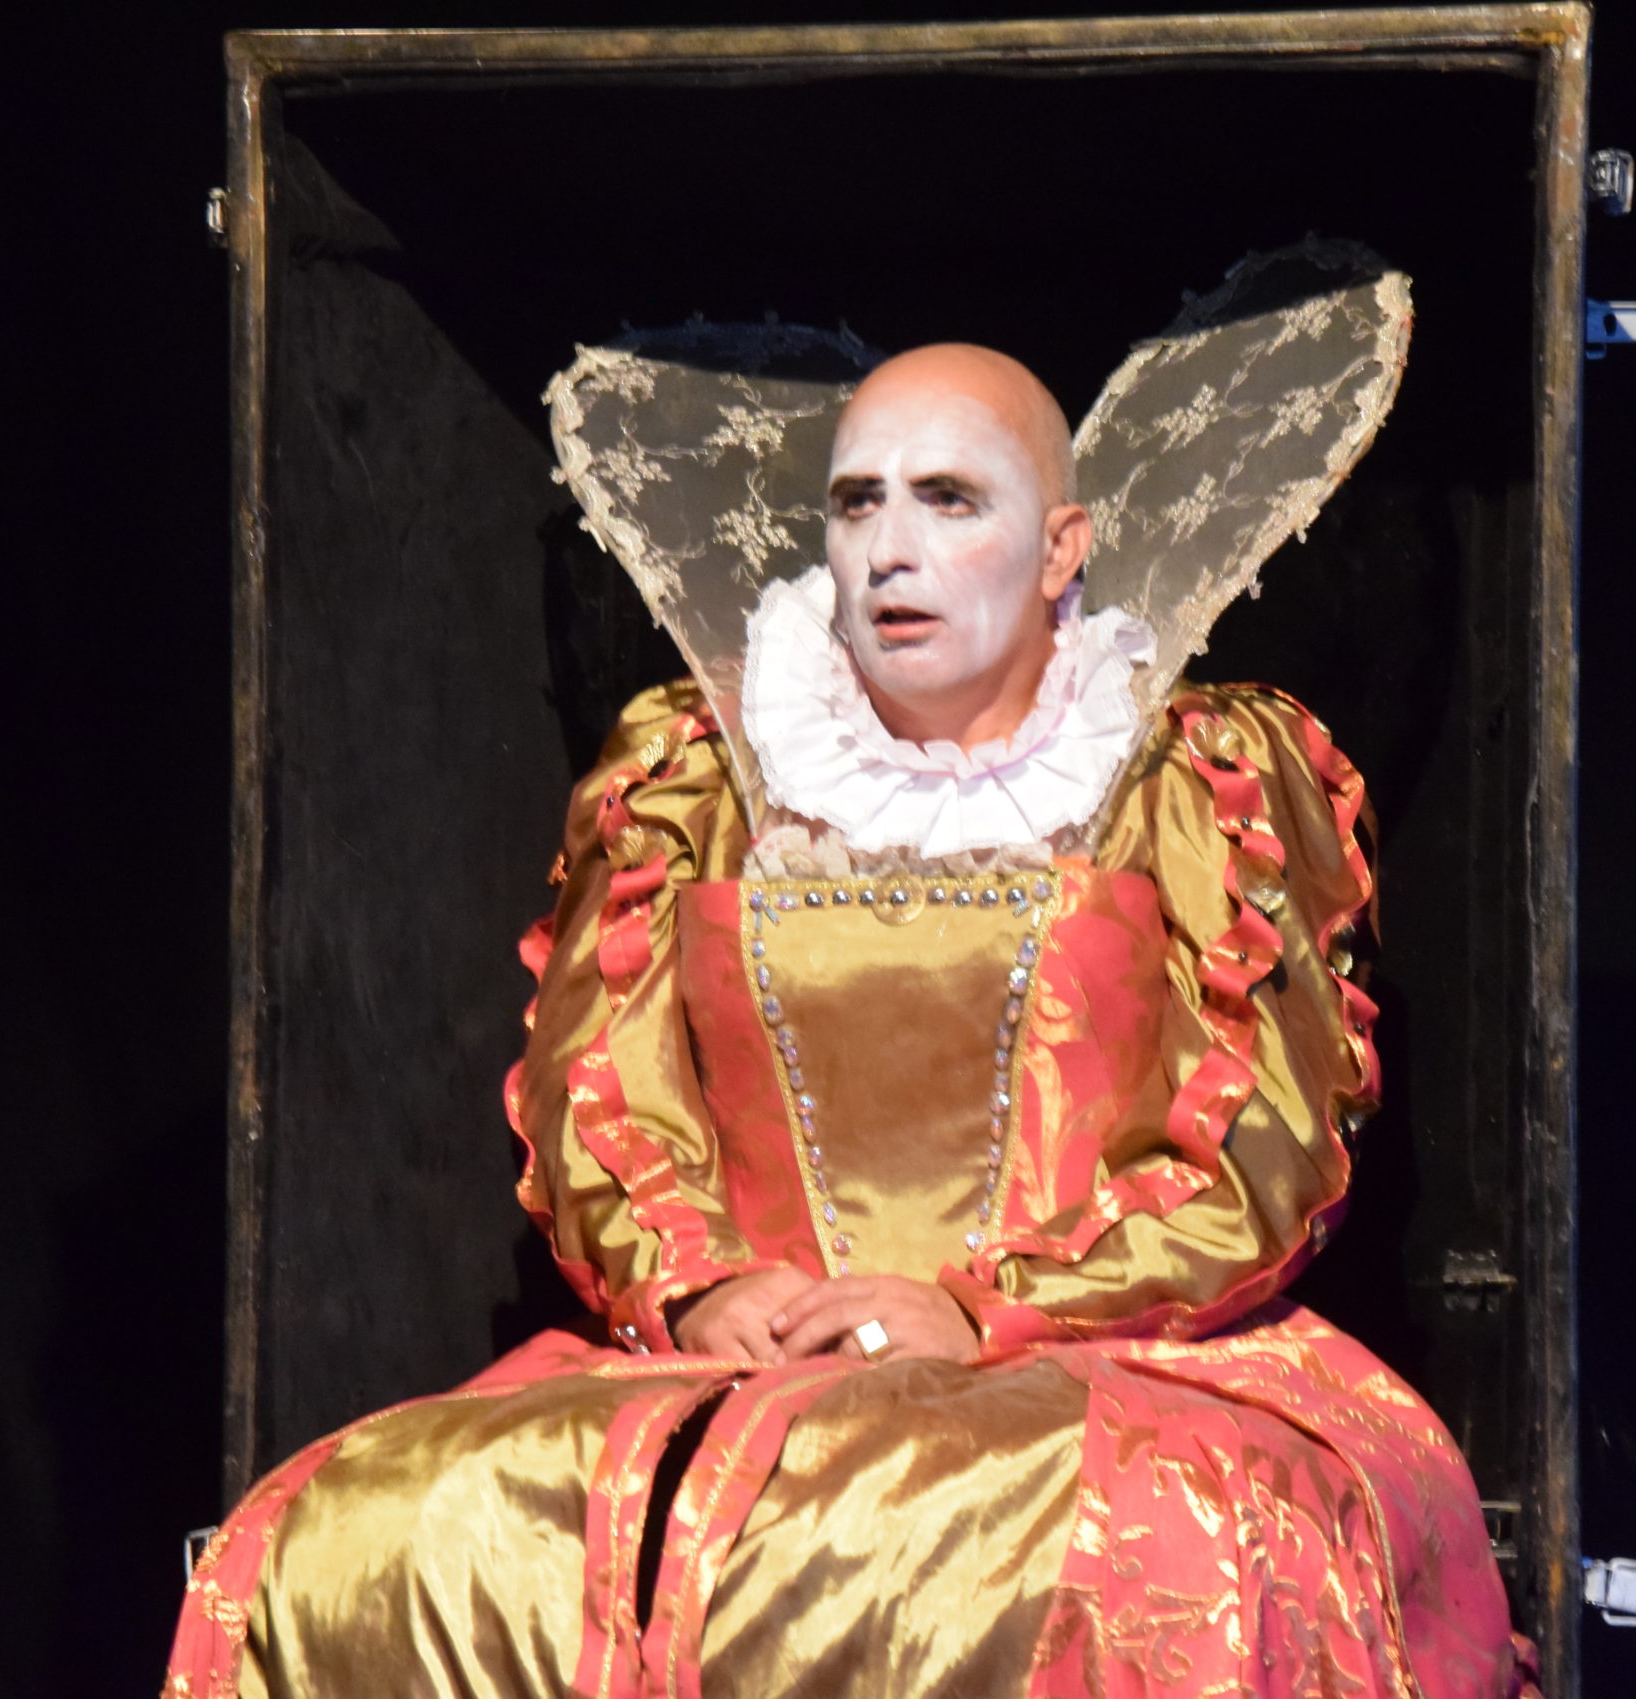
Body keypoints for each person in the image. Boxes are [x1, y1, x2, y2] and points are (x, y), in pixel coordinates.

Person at [166, 279, 1534, 1698]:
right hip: (736, 1362)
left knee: (1134, 1541)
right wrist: (699, 1289)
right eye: (857, 503)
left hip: (1111, 1357)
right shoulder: (697, 778)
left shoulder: (1194, 781)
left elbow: (1258, 1141)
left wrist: (983, 1312)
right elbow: (601, 1095)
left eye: (950, 500)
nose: (890, 550)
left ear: (1062, 546)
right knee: (384, 1523)